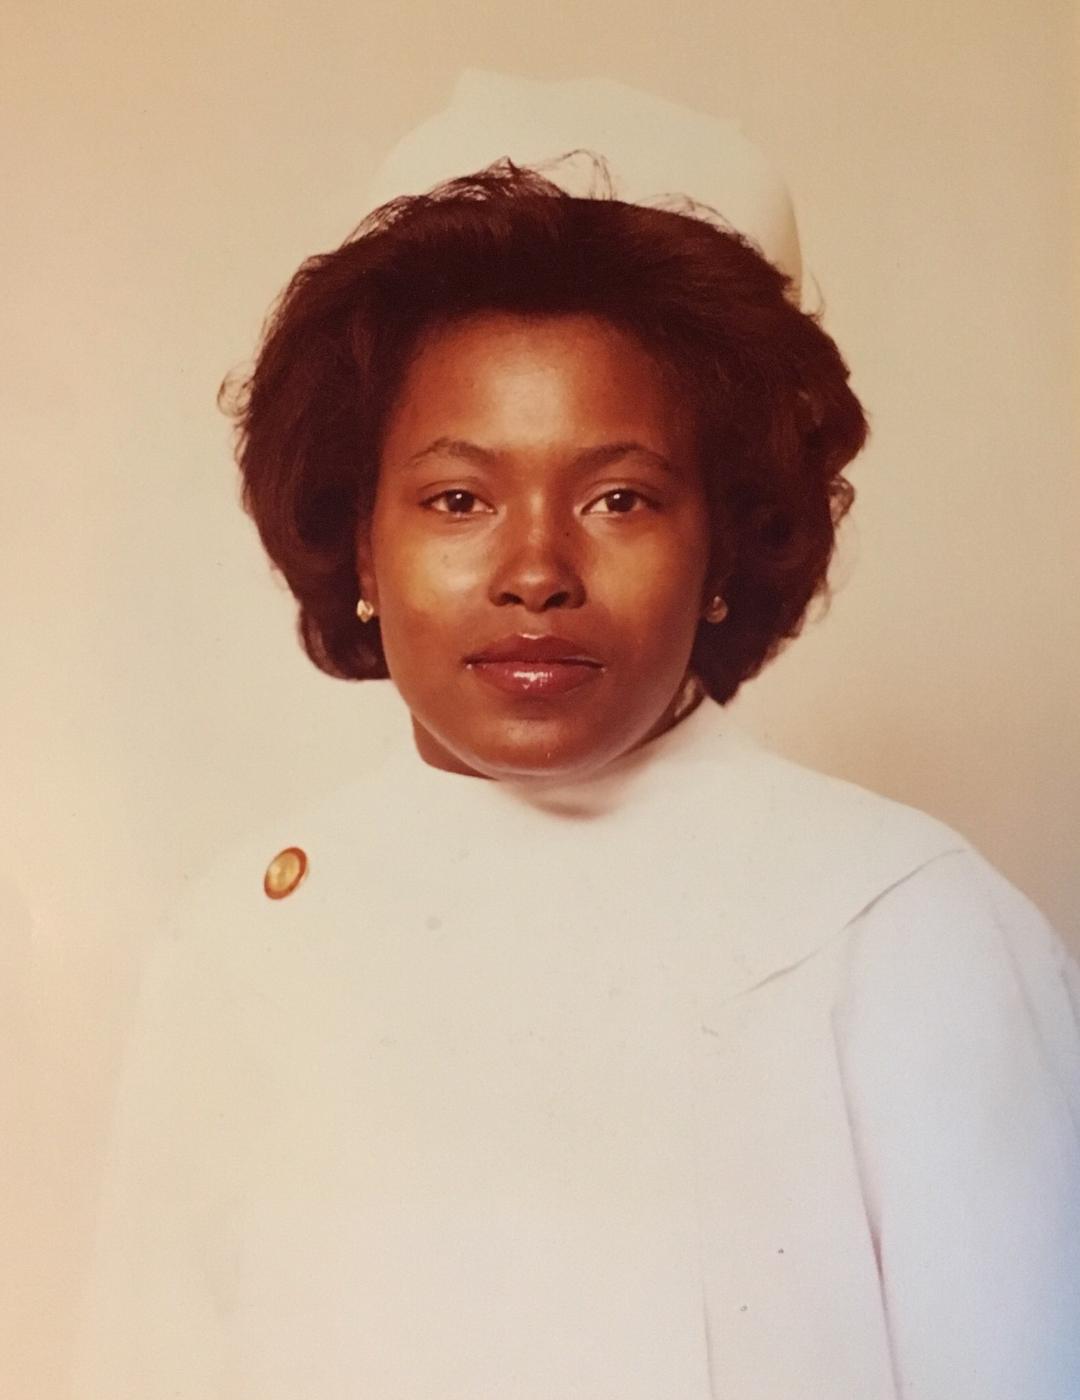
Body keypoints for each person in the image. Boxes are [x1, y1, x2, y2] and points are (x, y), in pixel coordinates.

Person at [72, 109, 1080, 1400]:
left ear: (725, 545)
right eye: (458, 499)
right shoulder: (234, 946)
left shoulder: (901, 932)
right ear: (363, 543)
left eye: (620, 498)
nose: (536, 572)